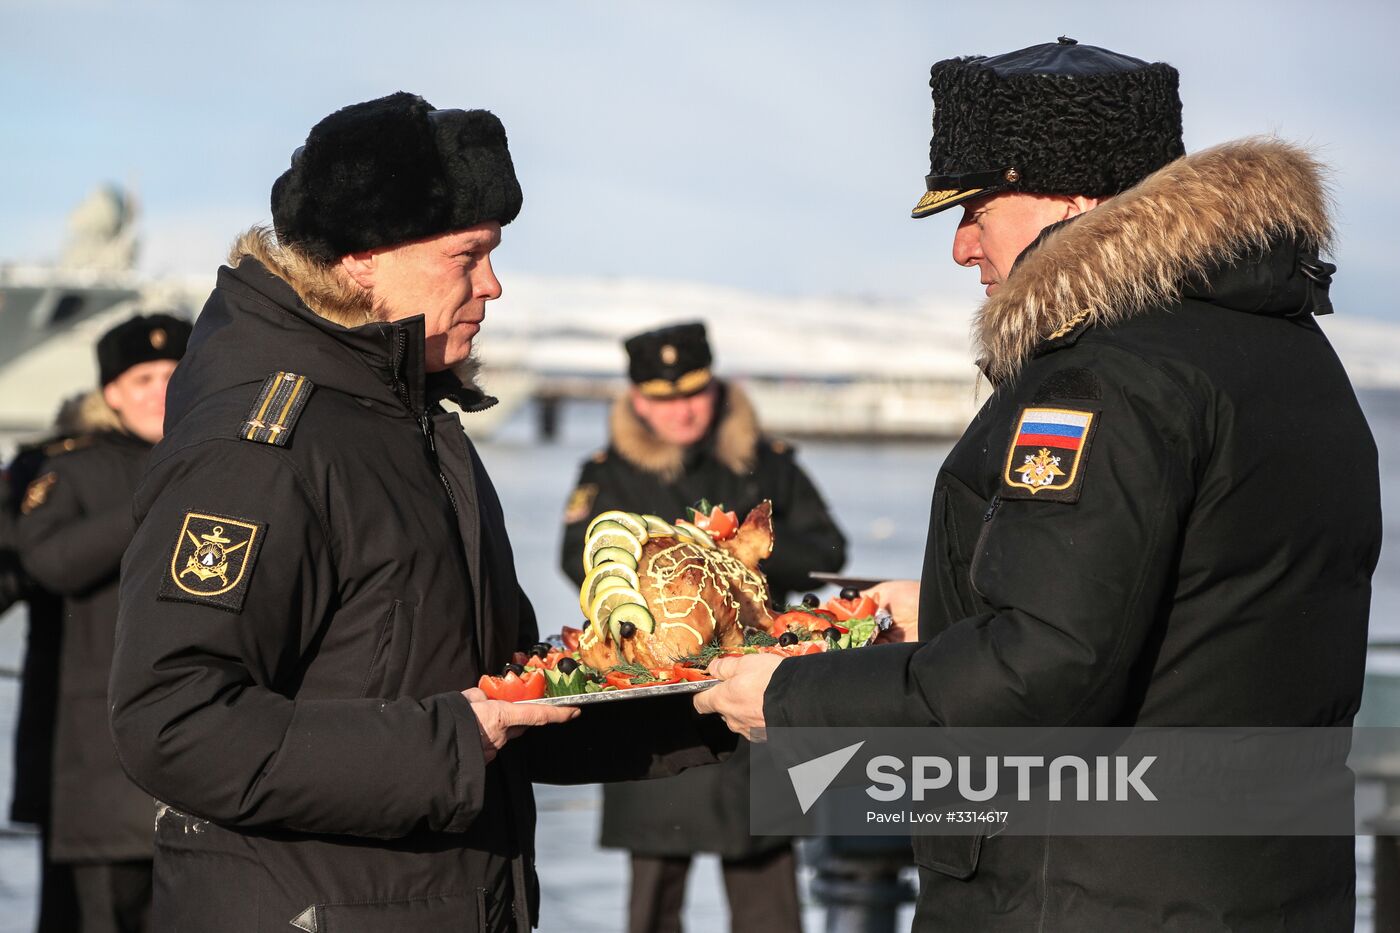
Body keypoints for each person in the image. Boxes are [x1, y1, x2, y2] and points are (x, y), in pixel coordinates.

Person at [696, 38, 1381, 930]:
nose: (961, 245)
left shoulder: (1103, 376)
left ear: (1073, 198)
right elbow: (1196, 617)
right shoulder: (1290, 353)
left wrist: (790, 698)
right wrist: (946, 607)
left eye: (980, 206)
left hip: (1090, 893)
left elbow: (1047, 670)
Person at [107, 92, 734, 933]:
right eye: (466, 256)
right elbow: (172, 719)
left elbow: (494, 695)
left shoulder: (414, 427)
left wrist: (709, 693)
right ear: (364, 256)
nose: (493, 285)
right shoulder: (263, 446)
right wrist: (449, 740)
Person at [560, 321, 847, 933]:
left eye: (692, 393)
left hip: (756, 688)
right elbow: (572, 557)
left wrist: (734, 558)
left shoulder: (767, 460)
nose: (681, 411)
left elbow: (829, 549)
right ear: (637, 401)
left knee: (767, 889)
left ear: (715, 389)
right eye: (662, 399)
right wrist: (670, 566)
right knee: (653, 900)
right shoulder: (607, 471)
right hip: (653, 703)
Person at [16, 313, 191, 933]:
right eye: (142, 377)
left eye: (174, 374)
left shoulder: (222, 462)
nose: (160, 390)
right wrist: (160, 495)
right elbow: (50, 561)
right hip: (95, 764)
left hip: (196, 761)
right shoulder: (71, 468)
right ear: (110, 392)